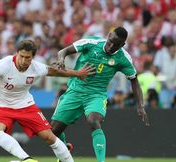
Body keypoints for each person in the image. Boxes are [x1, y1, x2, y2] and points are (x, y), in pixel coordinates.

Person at [0, 40, 95, 162]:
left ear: (33, 57)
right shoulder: (4, 64)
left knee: (49, 137)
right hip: (3, 106)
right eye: (21, 56)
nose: (23, 61)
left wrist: (78, 73)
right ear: (17, 53)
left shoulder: (37, 67)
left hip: (26, 106)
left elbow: (55, 71)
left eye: (27, 58)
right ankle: (26, 159)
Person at [51, 27, 150, 162]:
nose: (111, 47)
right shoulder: (90, 43)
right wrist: (61, 60)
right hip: (75, 90)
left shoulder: (123, 58)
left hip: (96, 95)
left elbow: (134, 80)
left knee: (93, 120)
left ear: (123, 45)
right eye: (110, 41)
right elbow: (63, 51)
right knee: (54, 131)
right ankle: (64, 151)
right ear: (108, 35)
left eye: (116, 45)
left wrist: (140, 106)